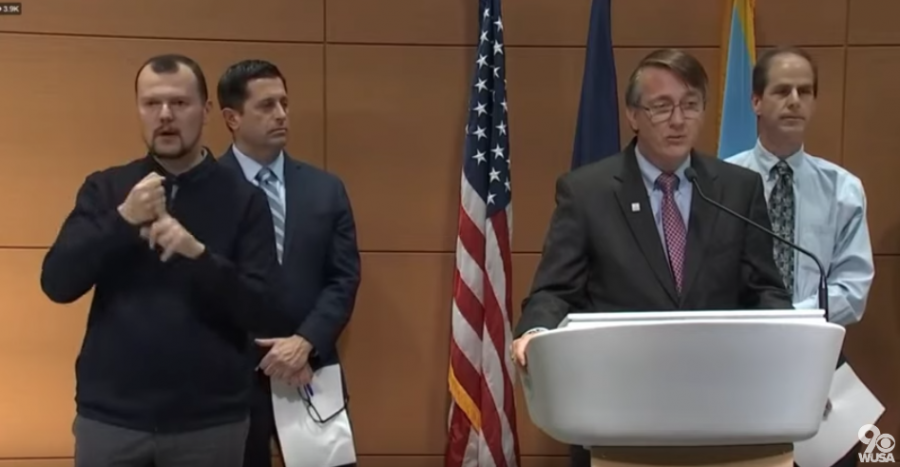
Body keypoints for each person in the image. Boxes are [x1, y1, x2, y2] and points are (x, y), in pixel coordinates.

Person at [510, 48, 794, 467]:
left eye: (690, 105)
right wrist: (537, 330)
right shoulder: (588, 192)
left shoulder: (738, 190)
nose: (678, 120)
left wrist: (788, 340)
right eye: (662, 107)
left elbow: (765, 291)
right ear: (632, 114)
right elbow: (554, 290)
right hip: (618, 410)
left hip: (721, 410)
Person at [39, 53, 281, 467]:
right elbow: (57, 282)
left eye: (179, 103)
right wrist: (122, 220)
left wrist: (198, 256)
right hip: (112, 420)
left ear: (205, 112)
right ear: (138, 109)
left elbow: (262, 309)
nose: (165, 115)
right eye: (152, 104)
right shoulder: (106, 188)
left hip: (211, 422)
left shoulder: (245, 200)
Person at [725, 46, 874, 467]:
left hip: (818, 360)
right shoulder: (721, 184)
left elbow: (853, 289)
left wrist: (790, 317)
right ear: (756, 101)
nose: (794, 100)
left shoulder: (842, 189)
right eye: (782, 90)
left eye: (805, 91)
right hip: (741, 361)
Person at [214, 59, 361, 467]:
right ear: (231, 117)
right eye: (265, 106)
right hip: (229, 380)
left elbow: (344, 278)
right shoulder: (203, 189)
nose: (281, 114)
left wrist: (305, 342)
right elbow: (199, 286)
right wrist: (263, 354)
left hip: (311, 370)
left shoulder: (325, 189)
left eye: (284, 103)